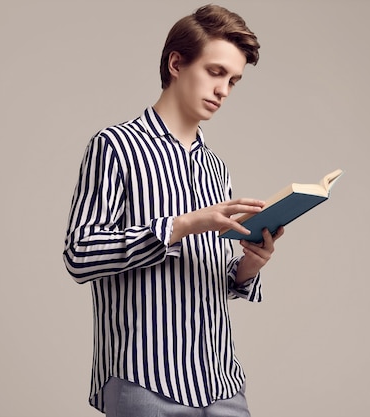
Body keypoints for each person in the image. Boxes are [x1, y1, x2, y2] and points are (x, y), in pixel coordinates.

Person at [63, 4, 284, 416]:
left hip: (221, 383)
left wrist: (248, 267)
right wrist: (182, 225)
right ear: (177, 63)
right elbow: (79, 256)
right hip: (145, 382)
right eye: (216, 72)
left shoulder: (215, 168)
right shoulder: (114, 147)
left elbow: (204, 278)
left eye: (233, 81)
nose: (223, 90)